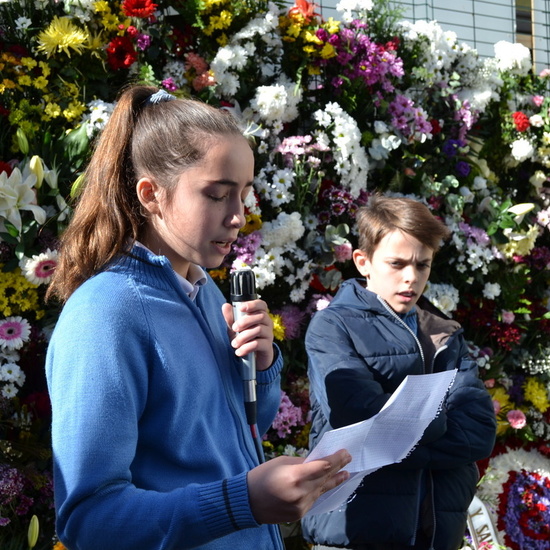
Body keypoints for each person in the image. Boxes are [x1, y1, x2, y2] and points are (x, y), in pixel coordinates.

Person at [45, 85, 351, 550]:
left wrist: (262, 366)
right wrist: (241, 502)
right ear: (151, 194)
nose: (239, 217)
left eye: (244, 195)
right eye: (217, 195)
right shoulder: (104, 314)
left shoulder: (207, 291)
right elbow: (88, 518)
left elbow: (232, 434)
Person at [301, 195, 497, 550]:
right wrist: (438, 425)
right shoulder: (333, 326)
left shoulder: (444, 333)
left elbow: (480, 431)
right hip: (354, 535)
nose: (411, 277)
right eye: (397, 263)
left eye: (422, 265)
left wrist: (400, 436)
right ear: (363, 261)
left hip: (435, 535)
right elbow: (360, 418)